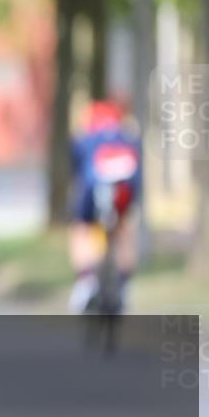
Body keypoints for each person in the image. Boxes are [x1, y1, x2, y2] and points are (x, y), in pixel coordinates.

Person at [67, 99, 142, 313]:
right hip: (124, 189)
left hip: (92, 187)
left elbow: (77, 170)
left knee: (81, 228)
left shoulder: (85, 138)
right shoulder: (128, 138)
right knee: (124, 228)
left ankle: (86, 282)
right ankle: (125, 286)